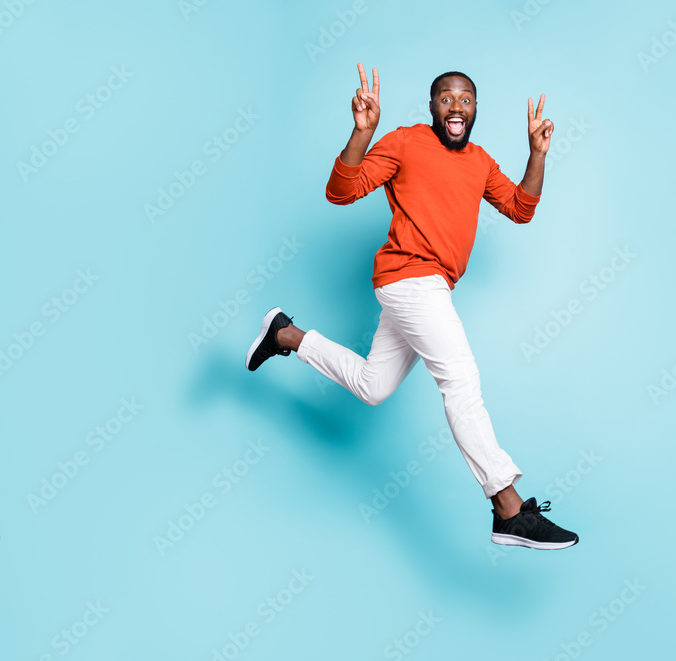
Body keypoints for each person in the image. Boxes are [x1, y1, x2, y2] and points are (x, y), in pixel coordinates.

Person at [246, 63, 577, 550]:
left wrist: (537, 155)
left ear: (476, 109)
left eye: (465, 99)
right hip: (411, 280)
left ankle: (286, 334)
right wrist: (362, 134)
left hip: (426, 288)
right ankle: (508, 508)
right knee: (461, 382)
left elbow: (521, 209)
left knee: (374, 386)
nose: (456, 106)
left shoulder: (481, 161)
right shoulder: (405, 142)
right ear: (432, 107)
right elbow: (341, 192)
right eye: (446, 98)